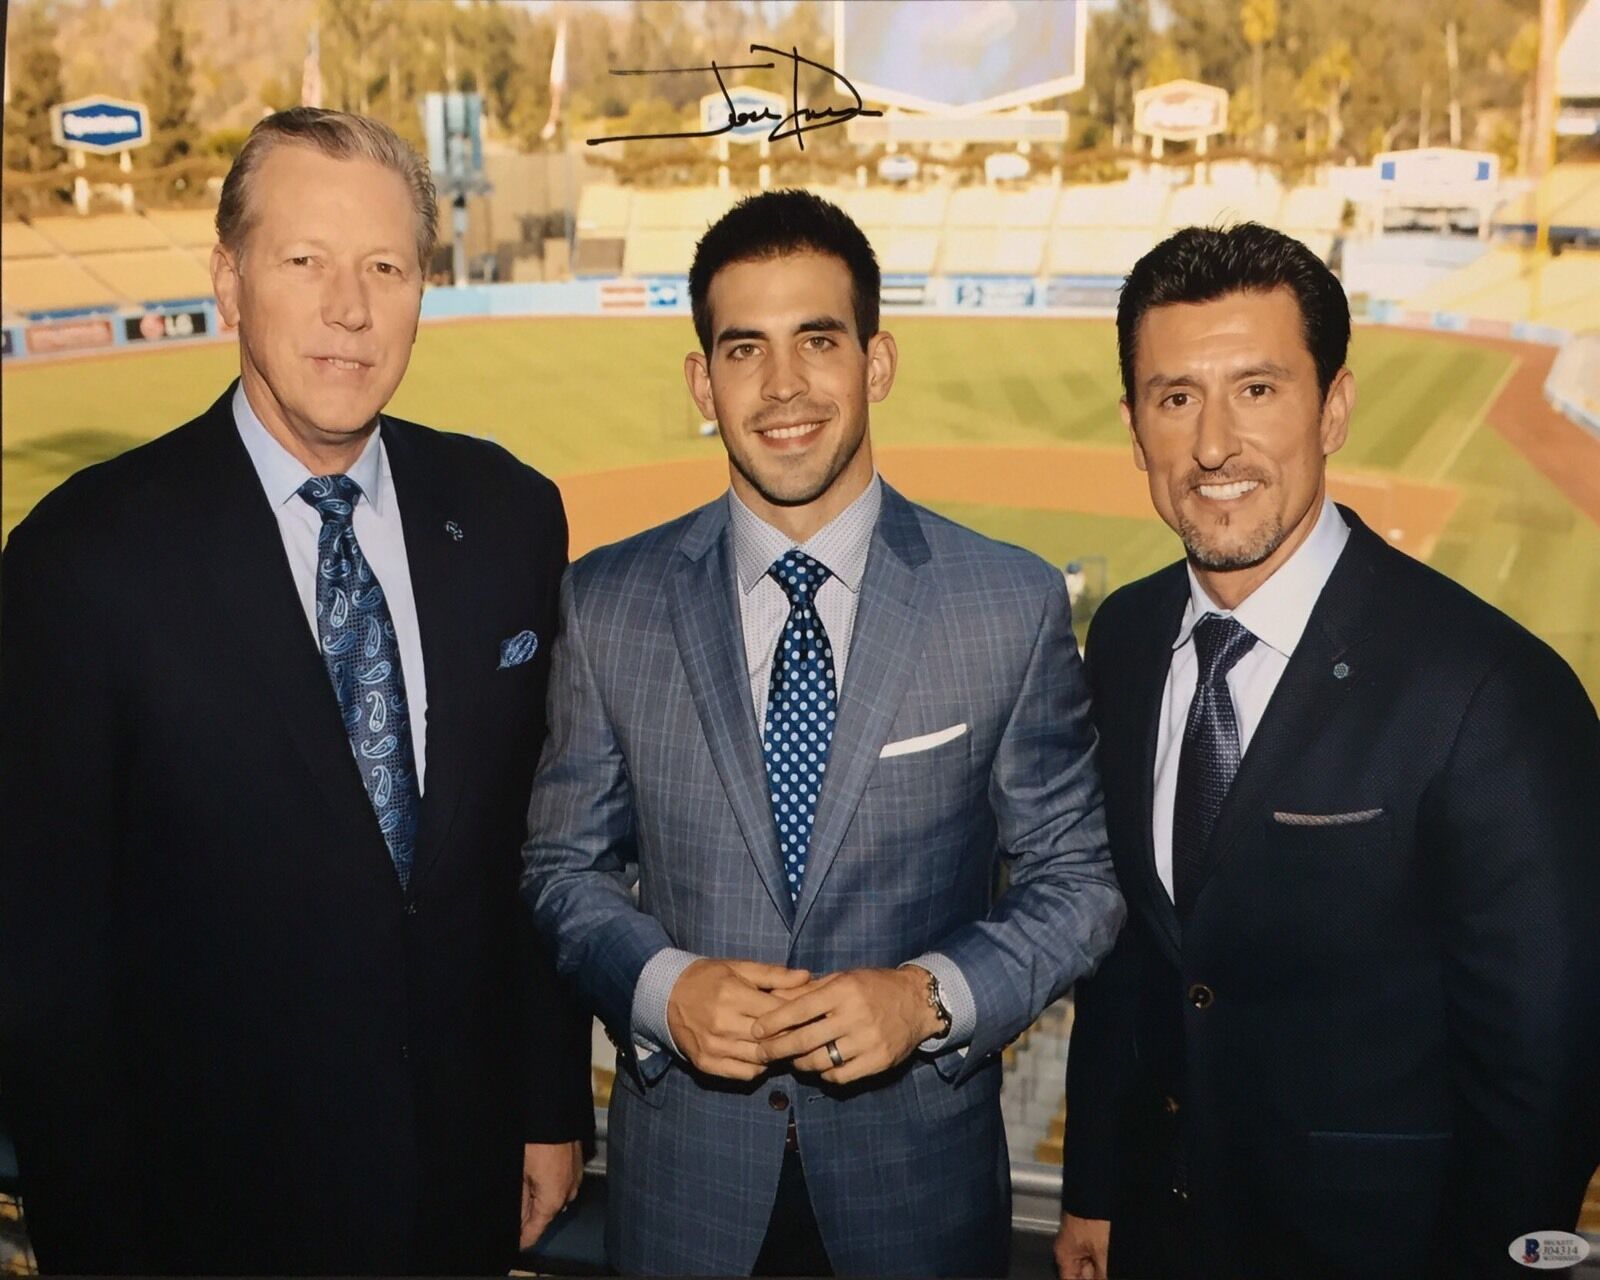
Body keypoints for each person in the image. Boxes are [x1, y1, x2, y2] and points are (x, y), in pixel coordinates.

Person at [0, 108, 593, 1274]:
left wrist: (545, 1100)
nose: (350, 308)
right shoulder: (81, 558)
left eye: (385, 265)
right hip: (198, 1217)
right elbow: (44, 966)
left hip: (460, 1192)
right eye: (305, 261)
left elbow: (528, 848)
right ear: (228, 280)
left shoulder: (511, 514)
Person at [522, 189, 1124, 1277]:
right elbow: (565, 868)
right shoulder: (607, 602)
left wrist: (929, 994)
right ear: (703, 382)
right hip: (683, 1204)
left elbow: (1076, 883)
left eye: (818, 340)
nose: (785, 385)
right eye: (745, 347)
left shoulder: (1006, 603)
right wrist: (661, 986)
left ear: (876, 362)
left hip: (918, 1198)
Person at [1054, 222, 1600, 1280]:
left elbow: (1545, 1076)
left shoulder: (1495, 691)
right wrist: (1093, 1185)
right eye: (1176, 398)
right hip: (1160, 1236)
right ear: (1134, 427)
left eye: (1256, 389)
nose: (1213, 444)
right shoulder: (1121, 637)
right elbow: (1130, 960)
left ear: (1334, 405)